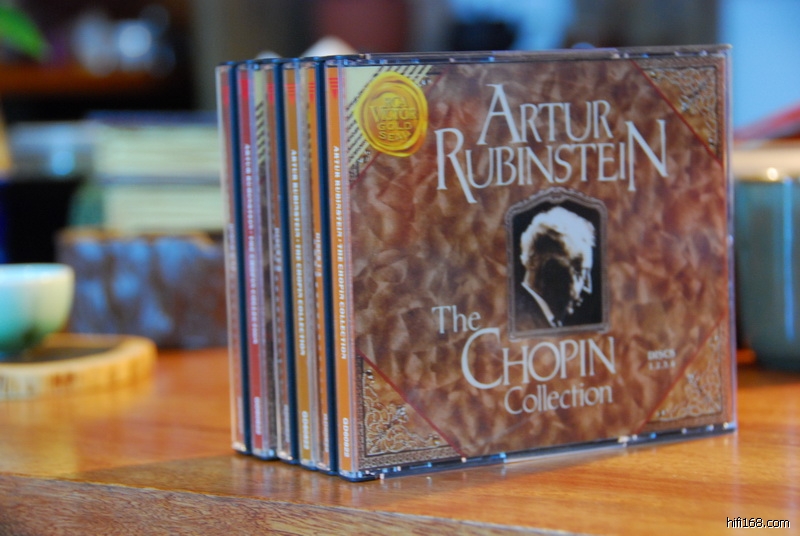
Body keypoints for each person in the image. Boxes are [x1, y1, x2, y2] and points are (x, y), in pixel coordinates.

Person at [515, 205, 595, 331]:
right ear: (536, 259)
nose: (588, 289)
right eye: (578, 271)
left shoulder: (545, 320)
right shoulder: (519, 320)